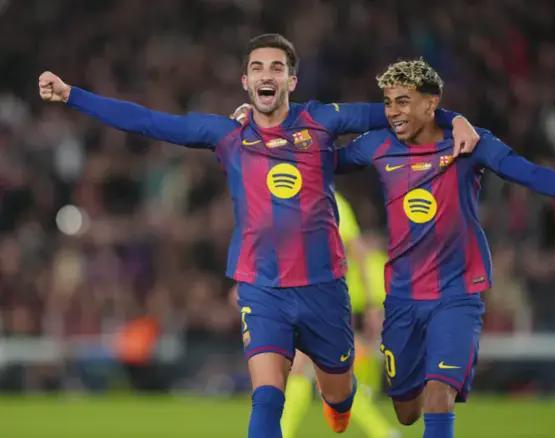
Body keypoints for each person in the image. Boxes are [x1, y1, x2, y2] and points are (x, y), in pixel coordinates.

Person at [38, 35, 479, 437]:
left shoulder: (321, 120)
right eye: (258, 67)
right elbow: (149, 121)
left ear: (291, 80)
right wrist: (72, 94)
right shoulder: (228, 134)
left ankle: (339, 404)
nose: (267, 74)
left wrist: (453, 118)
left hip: (324, 288)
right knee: (267, 397)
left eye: (276, 67)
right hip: (262, 287)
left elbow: (394, 110)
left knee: (338, 392)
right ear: (245, 81)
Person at [336, 58, 555, 438]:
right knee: (406, 411)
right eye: (388, 102)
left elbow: (522, 169)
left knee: (439, 394)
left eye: (403, 101)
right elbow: (324, 163)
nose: (393, 112)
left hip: (457, 293)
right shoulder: (378, 145)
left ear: (430, 103)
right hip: (403, 296)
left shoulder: (468, 144)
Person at [281, 192, 398, 438]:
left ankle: (281, 432)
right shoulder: (300, 199)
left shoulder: (328, 200)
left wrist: (371, 303)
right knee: (324, 372)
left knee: (310, 369)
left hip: (326, 298)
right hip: (312, 296)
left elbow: (357, 251)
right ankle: (382, 432)